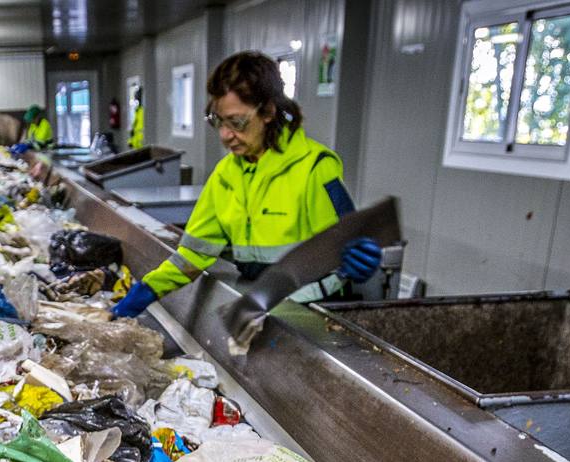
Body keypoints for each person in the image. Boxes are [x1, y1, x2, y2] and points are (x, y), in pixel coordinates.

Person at [112, 52, 380, 319]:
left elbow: (346, 246)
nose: (226, 135)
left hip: (316, 314)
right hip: (262, 310)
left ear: (267, 112)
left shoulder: (314, 167)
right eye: (218, 121)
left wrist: (357, 259)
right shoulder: (226, 175)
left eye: (237, 122)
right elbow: (194, 255)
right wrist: (146, 291)